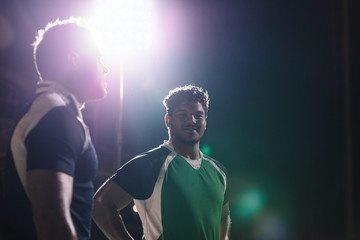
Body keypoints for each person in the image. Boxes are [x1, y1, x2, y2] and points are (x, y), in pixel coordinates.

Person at [1, 17, 109, 240]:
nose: (105, 68)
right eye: (98, 58)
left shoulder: (55, 111)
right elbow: (51, 219)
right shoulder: (56, 115)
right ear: (74, 60)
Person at [92, 85, 231, 240]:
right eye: (182, 114)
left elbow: (223, 216)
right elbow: (100, 204)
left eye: (198, 115)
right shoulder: (149, 164)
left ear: (205, 121)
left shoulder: (219, 171)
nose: (191, 120)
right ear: (168, 120)